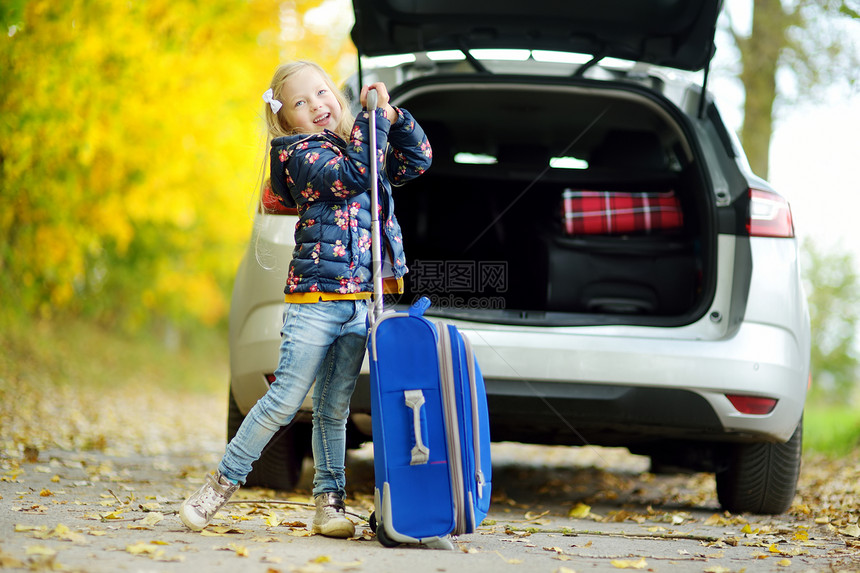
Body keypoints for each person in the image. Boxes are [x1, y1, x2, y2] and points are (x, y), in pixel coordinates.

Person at [179, 61, 432, 538]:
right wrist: (370, 123)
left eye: (321, 93)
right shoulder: (300, 154)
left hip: (360, 300)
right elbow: (354, 175)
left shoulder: (359, 142)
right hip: (317, 300)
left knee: (334, 407)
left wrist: (395, 119)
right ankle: (219, 484)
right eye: (300, 102)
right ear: (286, 119)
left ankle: (329, 504)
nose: (317, 105)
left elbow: (416, 162)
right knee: (284, 398)